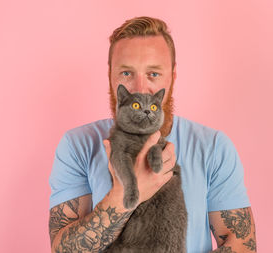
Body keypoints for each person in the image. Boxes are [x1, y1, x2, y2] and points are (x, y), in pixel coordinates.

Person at [48, 16, 257, 252]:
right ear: (110, 76)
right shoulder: (77, 145)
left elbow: (241, 244)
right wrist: (124, 196)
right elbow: (62, 249)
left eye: (153, 74)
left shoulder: (213, 147)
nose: (140, 89)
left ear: (173, 76)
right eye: (126, 73)